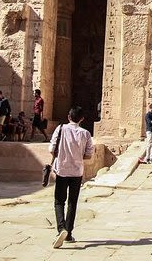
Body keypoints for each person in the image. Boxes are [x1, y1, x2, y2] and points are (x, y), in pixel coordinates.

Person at [49, 106, 95, 249]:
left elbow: (51, 149)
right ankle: (68, 234)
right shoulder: (86, 133)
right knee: (72, 203)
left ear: (69, 116)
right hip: (77, 171)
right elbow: (88, 154)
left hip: (62, 169)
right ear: (82, 119)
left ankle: (61, 228)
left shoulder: (61, 129)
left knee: (59, 201)